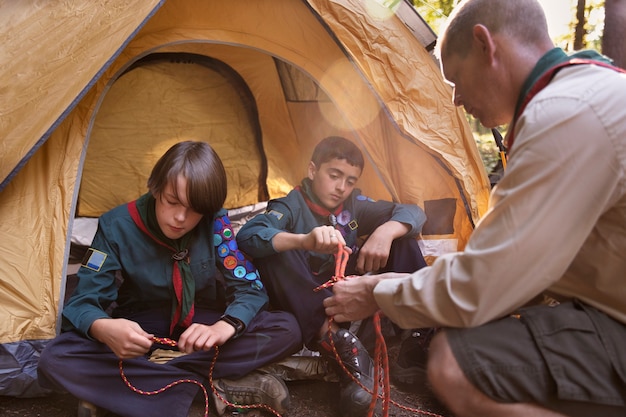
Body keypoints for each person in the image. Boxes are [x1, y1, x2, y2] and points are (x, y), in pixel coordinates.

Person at [323, 1, 626, 417]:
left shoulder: (565, 114)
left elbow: (486, 284)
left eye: (457, 79)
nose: (457, 99)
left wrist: (377, 292)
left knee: (456, 362)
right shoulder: (587, 91)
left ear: (486, 45)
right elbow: (510, 265)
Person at [37, 141, 303, 417]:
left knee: (287, 328)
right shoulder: (115, 226)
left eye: (194, 209)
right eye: (172, 201)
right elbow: (82, 302)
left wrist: (224, 326)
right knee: (56, 358)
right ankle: (212, 392)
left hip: (201, 329)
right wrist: (105, 328)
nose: (180, 218)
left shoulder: (214, 221)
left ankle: (130, 390)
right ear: (156, 188)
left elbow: (249, 288)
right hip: (143, 329)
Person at [236, 135, 428, 416]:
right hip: (309, 303)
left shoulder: (355, 205)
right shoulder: (290, 205)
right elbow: (248, 236)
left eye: (350, 180)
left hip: (351, 295)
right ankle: (346, 353)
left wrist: (385, 232)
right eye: (334, 175)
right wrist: (302, 240)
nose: (341, 188)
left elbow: (414, 212)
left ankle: (418, 336)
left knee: (402, 236)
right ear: (313, 171)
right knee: (276, 249)